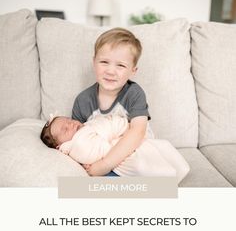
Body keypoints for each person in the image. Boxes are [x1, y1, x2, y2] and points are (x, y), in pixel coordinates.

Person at [71, 27, 150, 176]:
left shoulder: (134, 94)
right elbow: (76, 140)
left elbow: (138, 131)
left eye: (120, 65)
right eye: (104, 62)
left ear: (133, 70)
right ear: (94, 62)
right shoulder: (83, 100)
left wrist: (105, 164)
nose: (110, 71)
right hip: (97, 158)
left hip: (132, 153)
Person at [40, 109, 190, 183]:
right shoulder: (78, 145)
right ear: (60, 147)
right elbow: (103, 148)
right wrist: (120, 128)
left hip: (122, 143)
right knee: (144, 161)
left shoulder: (84, 129)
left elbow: (101, 125)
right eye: (66, 129)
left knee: (159, 149)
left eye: (68, 120)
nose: (71, 124)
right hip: (121, 155)